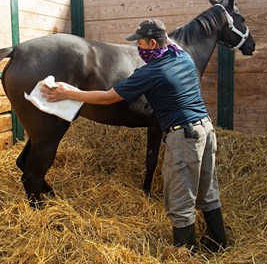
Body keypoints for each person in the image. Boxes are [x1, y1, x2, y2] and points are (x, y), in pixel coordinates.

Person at [41, 18, 227, 252]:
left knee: (180, 201)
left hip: (184, 137)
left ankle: (185, 253)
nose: (137, 48)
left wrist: (71, 92)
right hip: (206, 130)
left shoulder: (152, 71)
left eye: (140, 43)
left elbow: (109, 97)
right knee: (207, 190)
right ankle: (219, 244)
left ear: (152, 43)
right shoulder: (183, 57)